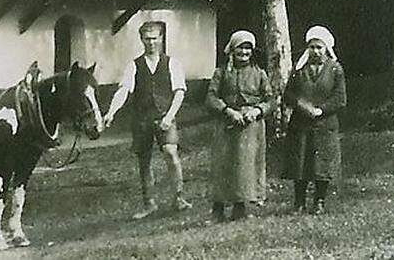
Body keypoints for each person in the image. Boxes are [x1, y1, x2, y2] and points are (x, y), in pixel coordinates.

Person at [104, 21, 192, 219]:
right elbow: (124, 90)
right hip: (142, 119)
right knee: (144, 161)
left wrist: (169, 116)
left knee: (170, 152)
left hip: (165, 116)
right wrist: (111, 112)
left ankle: (179, 197)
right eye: (147, 38)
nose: (151, 42)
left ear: (161, 39)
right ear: (141, 40)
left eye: (155, 38)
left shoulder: (172, 63)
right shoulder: (134, 65)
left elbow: (179, 92)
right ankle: (149, 203)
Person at [205, 30, 274, 222]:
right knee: (223, 164)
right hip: (226, 123)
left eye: (247, 48)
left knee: (245, 166)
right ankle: (218, 208)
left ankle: (240, 206)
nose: (244, 52)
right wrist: (228, 111)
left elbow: (270, 100)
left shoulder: (259, 74)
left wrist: (257, 110)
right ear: (232, 49)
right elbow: (211, 97)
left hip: (250, 126)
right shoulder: (220, 73)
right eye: (240, 48)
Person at [282, 25, 347, 214]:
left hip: (325, 124)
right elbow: (288, 94)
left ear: (327, 48)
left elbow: (340, 98)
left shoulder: (335, 69)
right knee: (300, 163)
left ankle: (319, 201)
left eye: (319, 47)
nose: (316, 51)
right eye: (312, 47)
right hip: (301, 123)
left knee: (322, 164)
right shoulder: (299, 69)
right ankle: (299, 202)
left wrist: (321, 110)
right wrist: (302, 106)